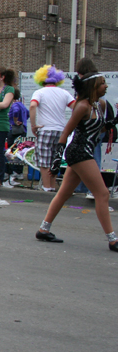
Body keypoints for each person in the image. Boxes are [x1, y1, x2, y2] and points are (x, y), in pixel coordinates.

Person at [36, 66, 118, 251]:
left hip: (84, 151)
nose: (106, 86)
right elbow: (66, 133)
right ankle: (113, 239)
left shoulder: (99, 105)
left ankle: (43, 229)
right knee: (103, 194)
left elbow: (97, 130)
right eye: (102, 83)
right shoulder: (82, 106)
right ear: (93, 86)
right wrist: (57, 161)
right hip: (80, 152)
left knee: (64, 193)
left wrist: (112, 122)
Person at [29, 65, 74, 192]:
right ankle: (53, 187)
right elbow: (76, 107)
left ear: (41, 79)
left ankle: (46, 187)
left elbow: (33, 106)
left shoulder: (39, 92)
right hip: (61, 131)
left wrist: (33, 125)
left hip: (45, 129)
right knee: (56, 160)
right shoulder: (65, 93)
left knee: (44, 161)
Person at [6, 87, 29, 186]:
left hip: (14, 130)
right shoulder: (21, 105)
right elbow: (27, 113)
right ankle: (19, 172)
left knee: (12, 150)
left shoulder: (14, 105)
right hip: (23, 129)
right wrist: (22, 121)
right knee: (20, 150)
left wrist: (15, 121)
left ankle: (14, 170)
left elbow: (15, 111)